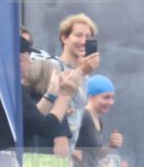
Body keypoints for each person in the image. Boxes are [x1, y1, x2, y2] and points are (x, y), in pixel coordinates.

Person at [37, 13, 101, 149]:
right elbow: (41, 110)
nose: (83, 41)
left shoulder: (85, 75)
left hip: (68, 151)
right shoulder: (53, 65)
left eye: (88, 37)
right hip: (49, 150)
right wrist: (82, 70)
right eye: (78, 35)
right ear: (64, 38)